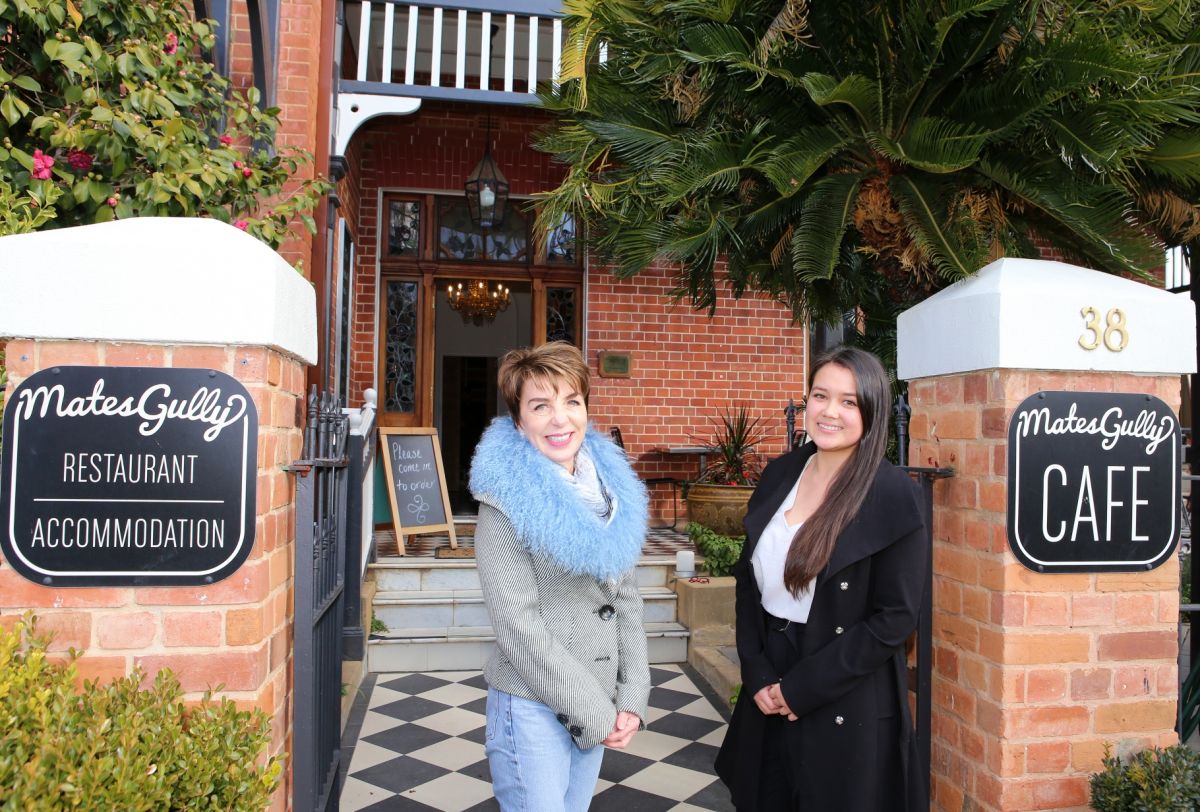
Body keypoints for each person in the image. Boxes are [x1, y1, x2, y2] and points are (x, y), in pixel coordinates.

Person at [715, 345, 929, 811]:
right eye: (820, 395)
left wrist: (803, 687)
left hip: (842, 689)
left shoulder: (892, 494)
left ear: (871, 411)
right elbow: (749, 579)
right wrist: (756, 671)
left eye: (849, 402)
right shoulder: (780, 473)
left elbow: (894, 618)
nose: (830, 412)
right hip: (769, 679)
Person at [468, 341, 650, 811]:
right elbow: (518, 628)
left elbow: (624, 599)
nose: (559, 419)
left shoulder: (612, 493)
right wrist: (595, 710)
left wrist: (631, 696)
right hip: (532, 705)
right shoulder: (504, 504)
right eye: (540, 405)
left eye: (571, 401)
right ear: (518, 421)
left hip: (598, 694)